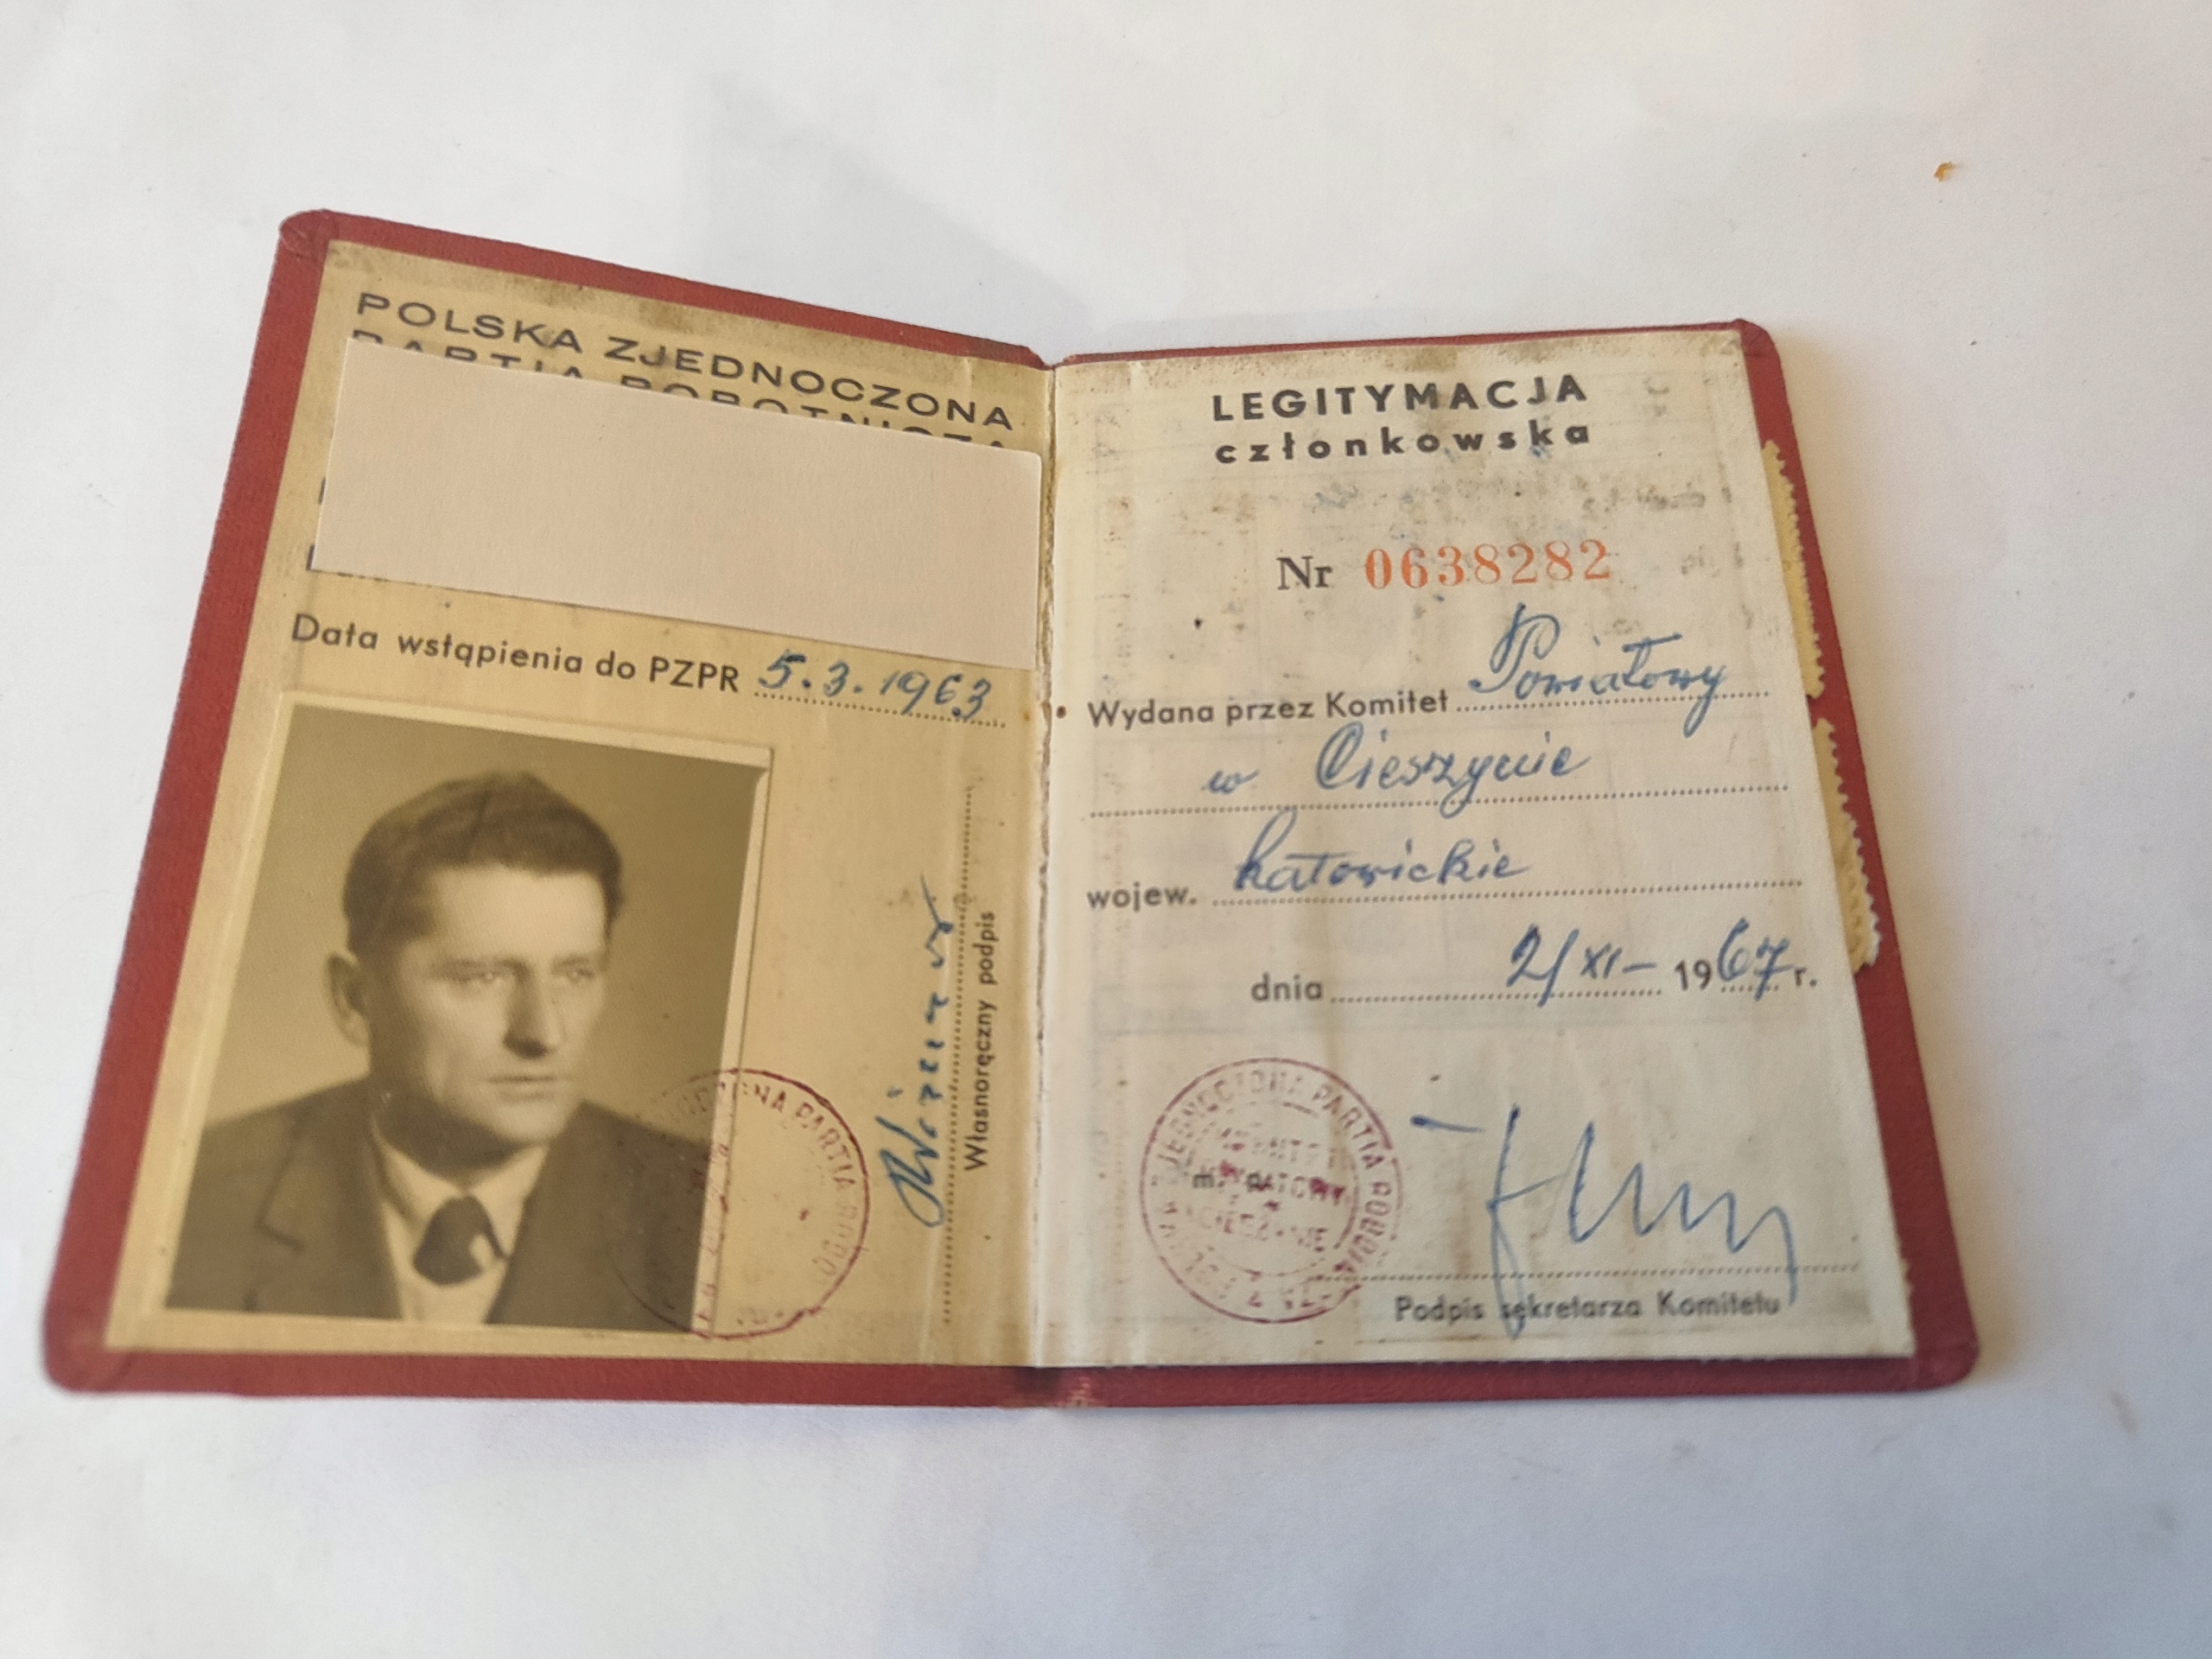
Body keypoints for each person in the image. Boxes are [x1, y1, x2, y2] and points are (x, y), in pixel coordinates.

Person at [168, 772, 705, 1331]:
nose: (545, 1033)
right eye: (483, 977)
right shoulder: (191, 1201)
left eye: (575, 974)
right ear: (355, 1000)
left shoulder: (702, 1213)